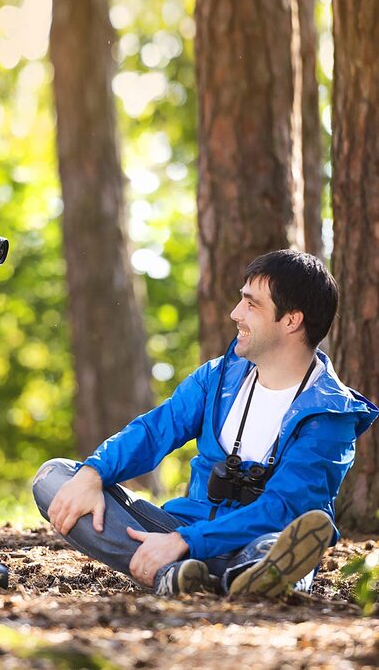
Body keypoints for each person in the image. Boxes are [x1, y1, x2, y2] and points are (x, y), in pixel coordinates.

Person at [33, 250, 378, 597]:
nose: (235, 314)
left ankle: (202, 576)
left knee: (275, 547)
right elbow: (152, 432)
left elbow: (284, 507)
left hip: (259, 538)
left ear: (291, 321)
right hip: (181, 529)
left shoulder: (331, 414)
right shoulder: (216, 379)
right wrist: (94, 473)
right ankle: (200, 576)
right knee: (57, 477)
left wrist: (186, 542)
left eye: (251, 304)